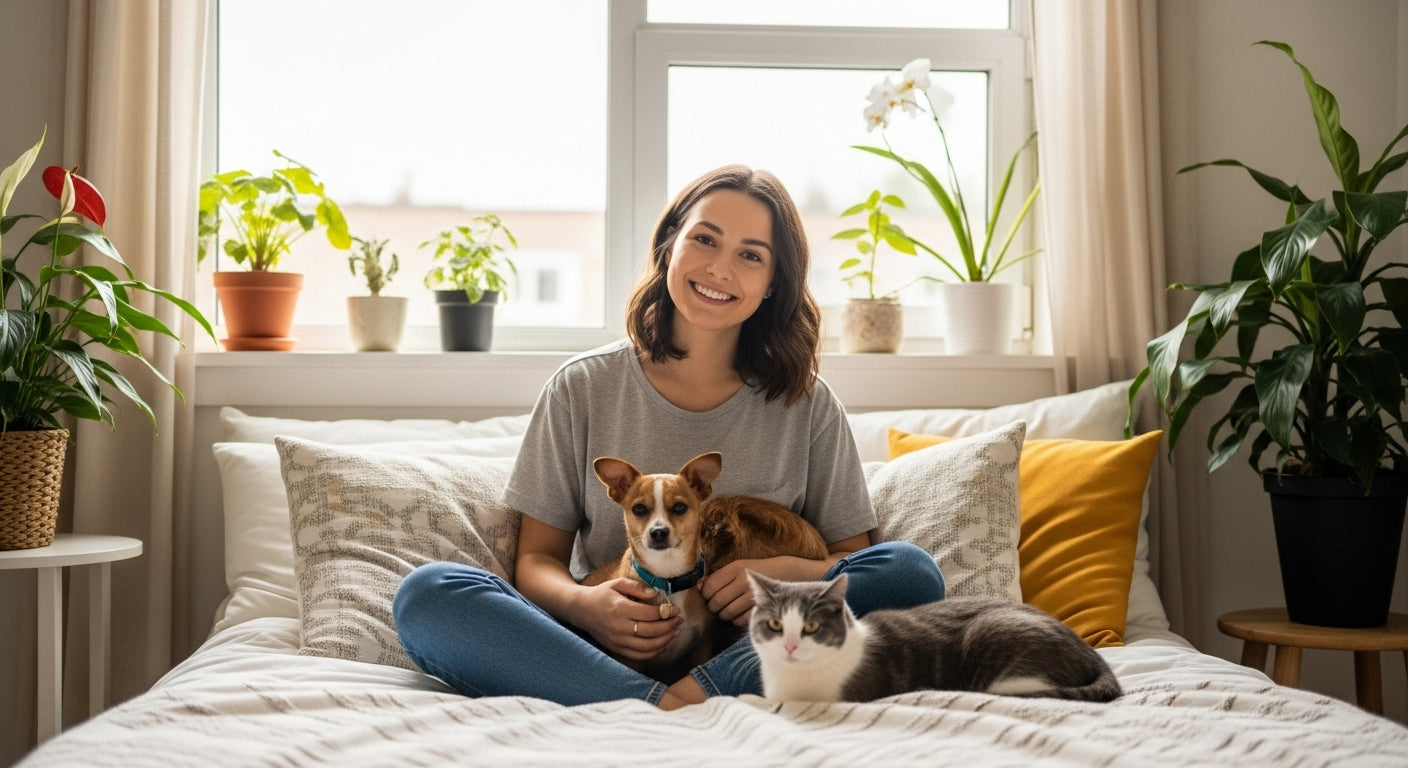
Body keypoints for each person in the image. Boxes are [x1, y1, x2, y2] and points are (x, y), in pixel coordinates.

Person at [393, 165, 945, 709]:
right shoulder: (581, 387)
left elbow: (855, 562)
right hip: (605, 648)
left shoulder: (808, 403)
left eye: (751, 255)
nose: (720, 268)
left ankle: (690, 694)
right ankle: (653, 700)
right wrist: (589, 607)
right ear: (669, 245)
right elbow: (537, 561)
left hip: (753, 647)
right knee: (428, 594)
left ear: (774, 282)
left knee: (912, 572)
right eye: (705, 239)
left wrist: (788, 575)